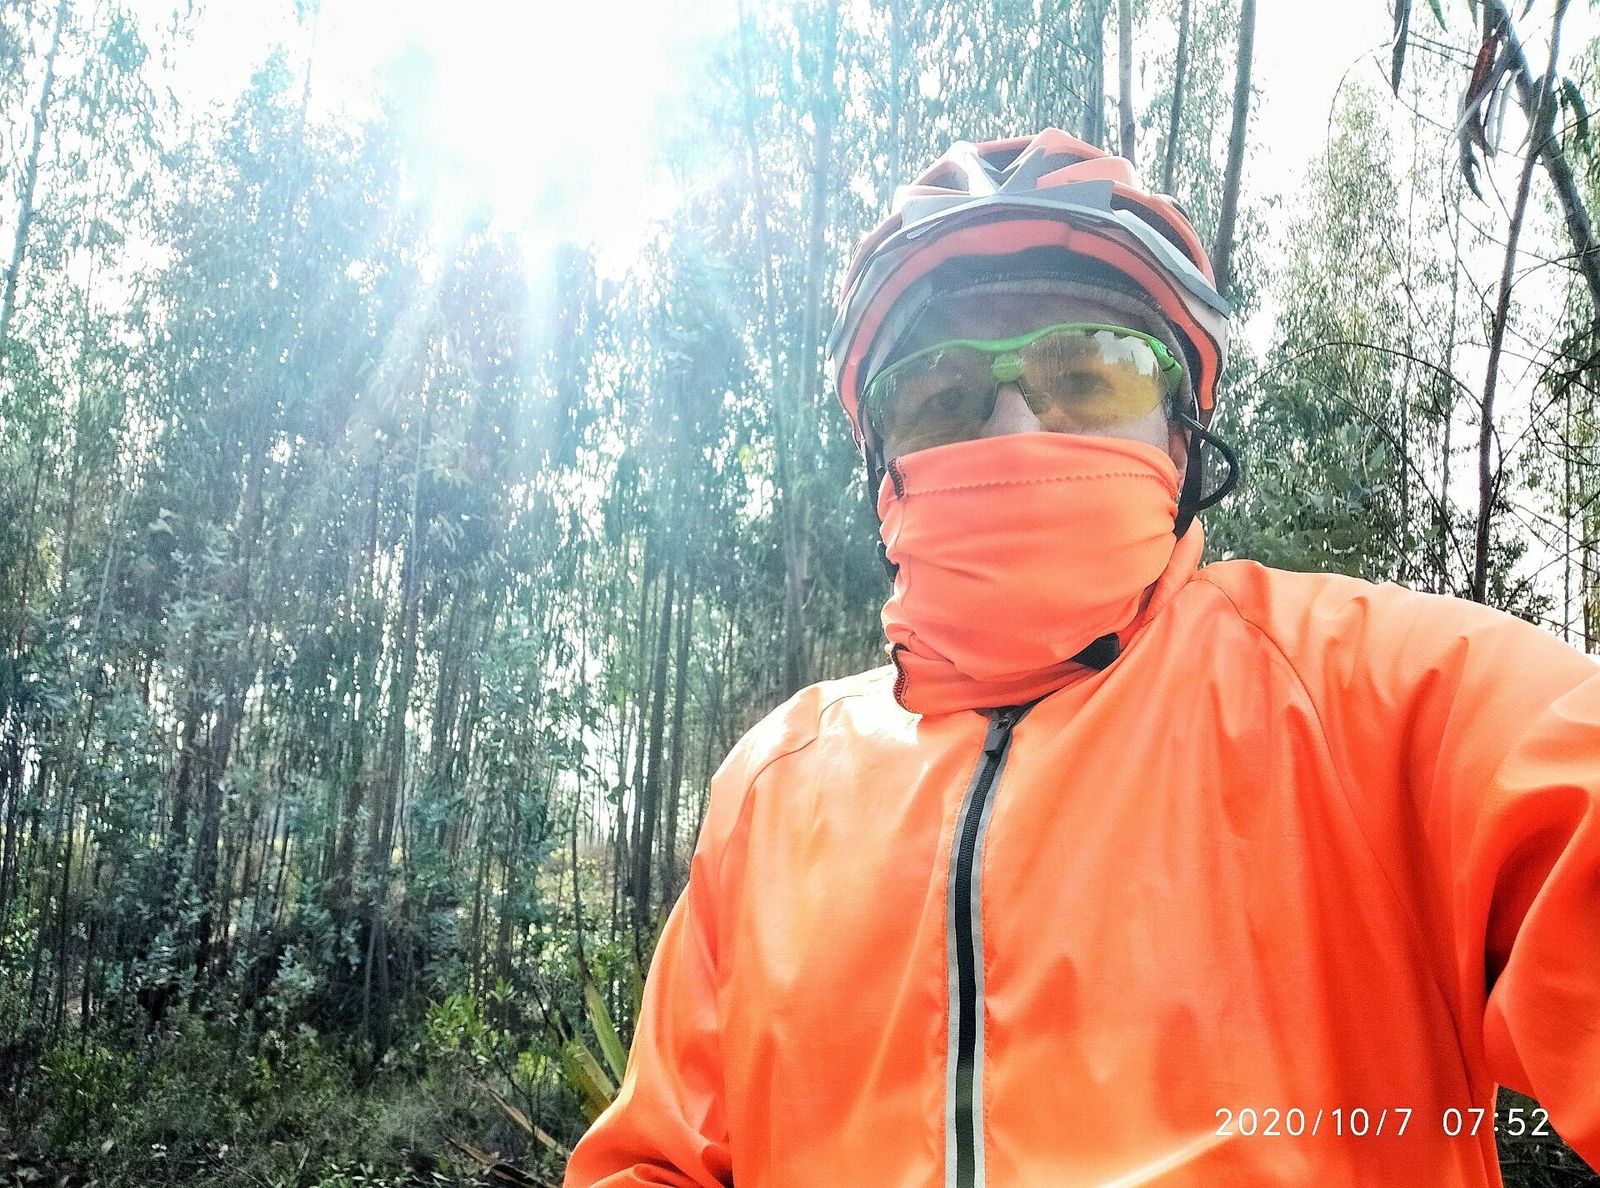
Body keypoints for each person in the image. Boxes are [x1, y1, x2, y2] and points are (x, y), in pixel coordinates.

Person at [564, 129, 1600, 1186]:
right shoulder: (773, 788)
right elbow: (658, 1162)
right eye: (940, 394)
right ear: (883, 465)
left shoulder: (1377, 698)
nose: (1013, 424)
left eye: (1090, 374)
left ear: (1181, 443)